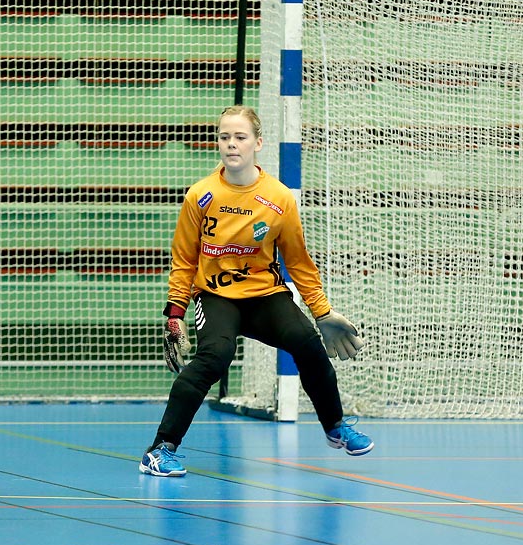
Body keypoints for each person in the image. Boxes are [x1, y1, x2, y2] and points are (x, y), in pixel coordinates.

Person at [141, 104, 371, 477]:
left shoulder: (278, 199)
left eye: (240, 137)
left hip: (265, 295)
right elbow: (184, 260)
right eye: (224, 137)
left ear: (257, 143)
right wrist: (174, 314)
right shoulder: (200, 196)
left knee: (307, 343)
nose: (231, 144)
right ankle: (161, 449)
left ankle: (335, 426)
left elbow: (298, 262)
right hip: (215, 296)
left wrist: (322, 311)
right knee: (215, 356)